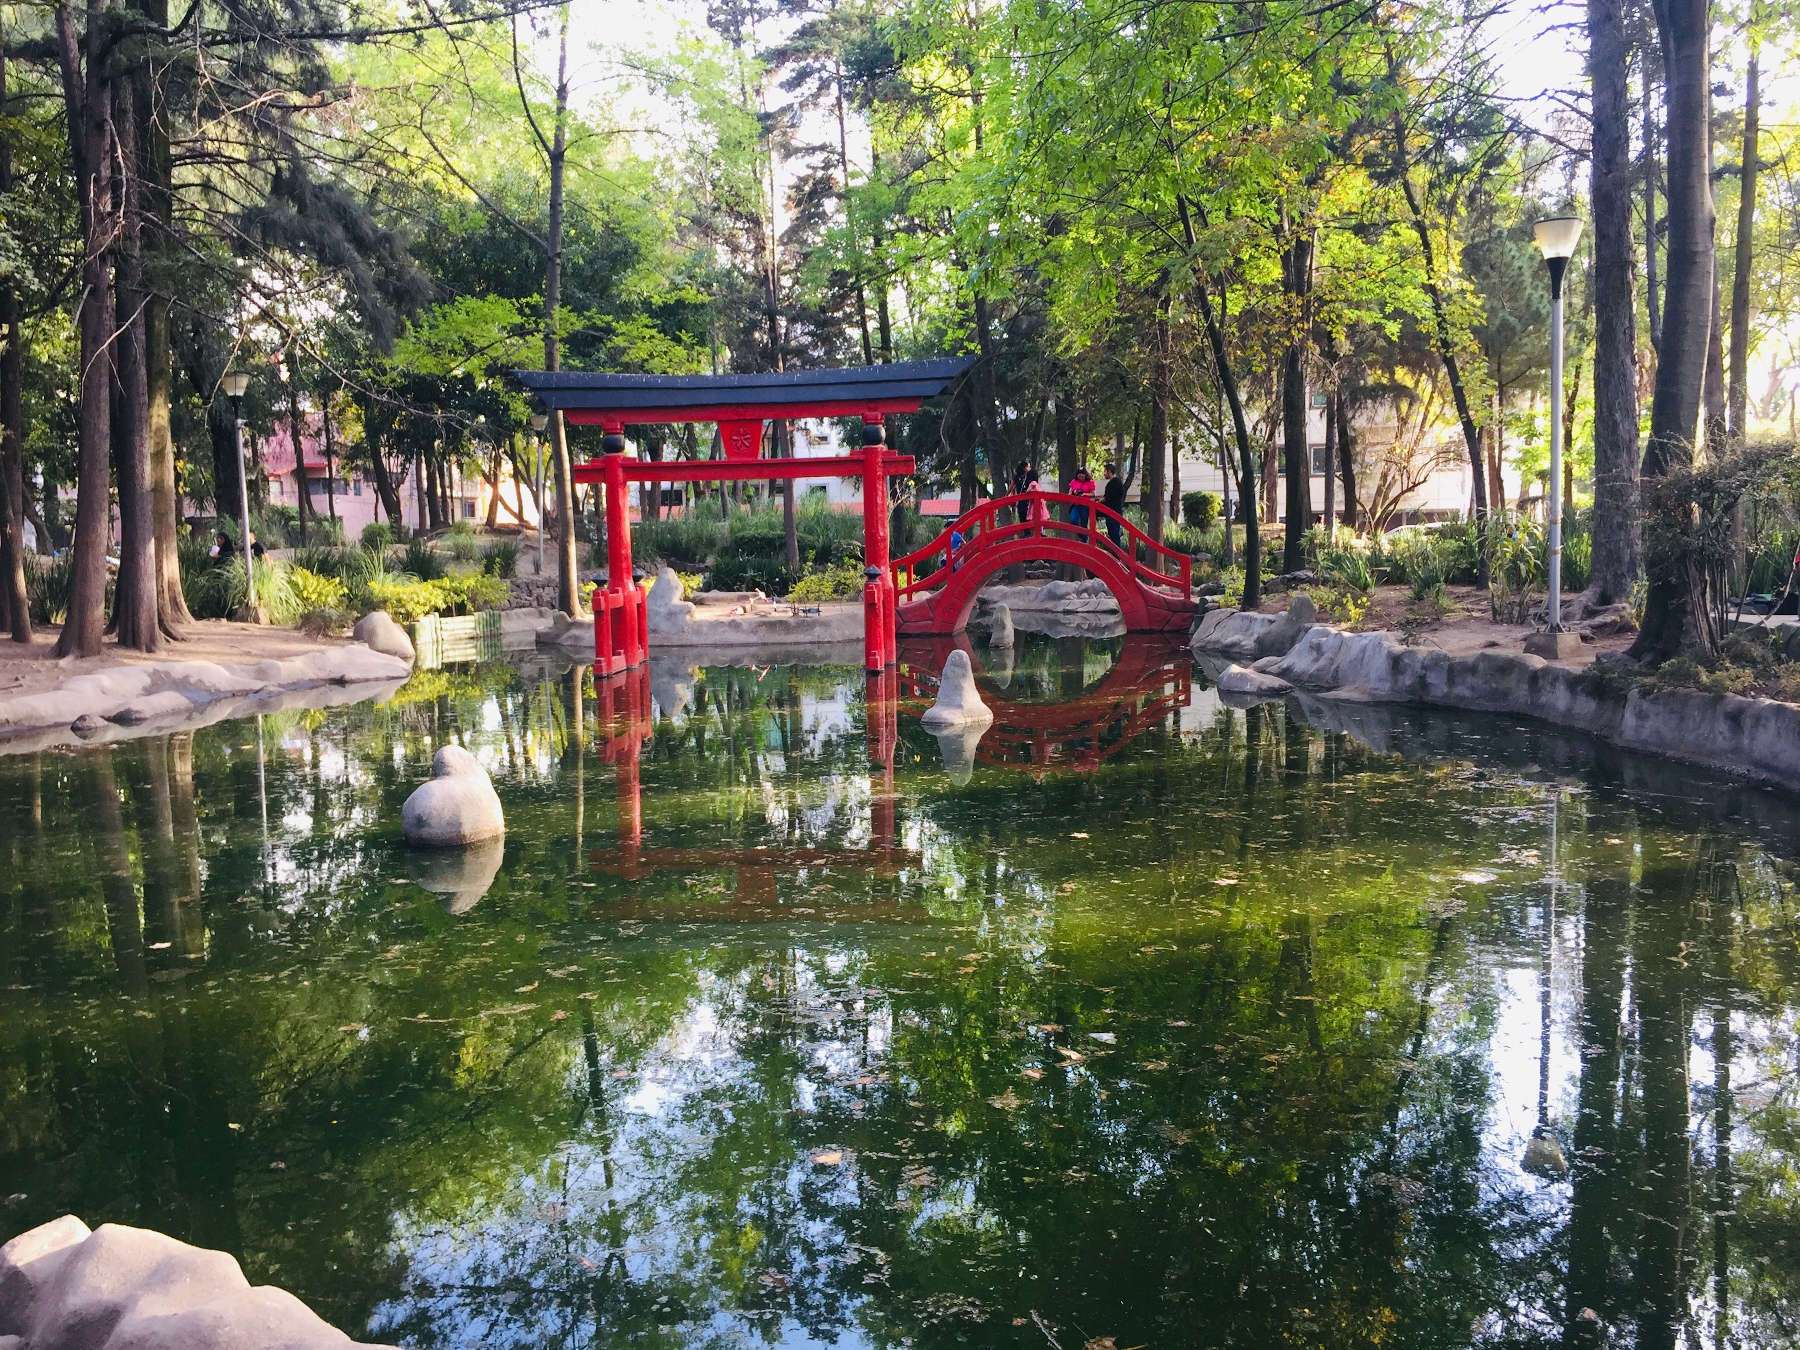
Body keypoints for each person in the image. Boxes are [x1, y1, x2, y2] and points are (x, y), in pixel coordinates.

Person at [1101, 463, 1126, 547]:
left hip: (1113, 512)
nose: (1104, 473)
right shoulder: (1117, 482)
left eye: (1105, 471)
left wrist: (1101, 500)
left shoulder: (1114, 483)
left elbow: (1108, 498)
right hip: (1114, 512)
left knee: (1114, 534)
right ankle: (1117, 555)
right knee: (1113, 534)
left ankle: (1117, 556)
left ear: (1109, 471)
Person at [1067, 465, 1096, 531]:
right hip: (1075, 504)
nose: (1081, 478)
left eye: (1082, 476)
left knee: (1084, 524)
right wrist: (1073, 492)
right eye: (1079, 476)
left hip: (1085, 505)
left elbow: (1093, 494)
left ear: (1085, 475)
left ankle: (1084, 539)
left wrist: (1084, 494)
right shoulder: (1073, 481)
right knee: (1073, 520)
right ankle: (1080, 534)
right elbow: (1069, 493)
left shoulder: (1090, 482)